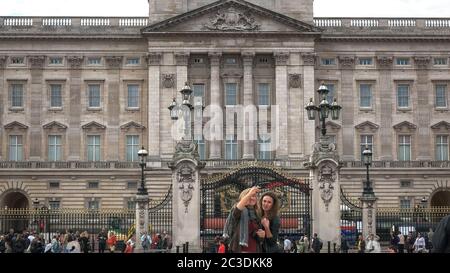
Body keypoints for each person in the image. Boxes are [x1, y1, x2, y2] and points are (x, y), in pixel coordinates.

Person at [222, 186, 265, 253]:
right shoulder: (240, 211)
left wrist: (262, 235)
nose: (252, 198)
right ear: (244, 198)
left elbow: (258, 238)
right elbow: (238, 209)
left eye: (254, 196)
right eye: (249, 196)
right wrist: (250, 193)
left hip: (254, 249)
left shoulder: (257, 214)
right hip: (239, 250)